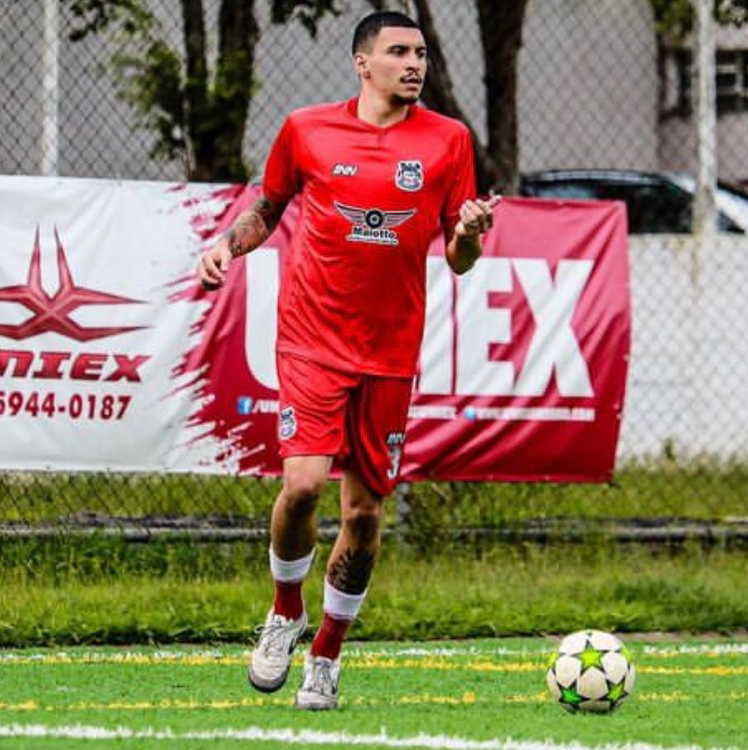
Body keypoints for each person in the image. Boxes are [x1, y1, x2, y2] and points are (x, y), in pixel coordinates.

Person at [196, 9, 500, 710]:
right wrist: (225, 246)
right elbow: (268, 209)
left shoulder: (449, 140)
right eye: (399, 52)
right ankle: (285, 610)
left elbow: (459, 258)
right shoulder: (307, 129)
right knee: (303, 486)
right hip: (311, 339)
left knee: (363, 516)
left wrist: (472, 232)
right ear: (363, 63)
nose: (414, 63)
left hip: (390, 353)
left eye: (420, 53)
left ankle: (327, 655)